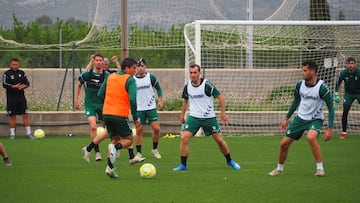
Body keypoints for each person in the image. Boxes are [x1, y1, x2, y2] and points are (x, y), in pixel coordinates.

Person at [268, 60, 334, 177]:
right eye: (302, 70)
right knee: (283, 144)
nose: (302, 72)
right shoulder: (300, 84)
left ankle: (320, 169)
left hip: (315, 119)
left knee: (311, 137)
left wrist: (329, 128)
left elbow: (331, 107)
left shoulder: (322, 88)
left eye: (305, 70)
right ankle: (279, 169)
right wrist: (286, 118)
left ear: (312, 72)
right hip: (300, 119)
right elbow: (296, 101)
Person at [172, 64, 240, 171]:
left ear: (199, 73)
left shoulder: (207, 85)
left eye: (195, 72)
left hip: (208, 117)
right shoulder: (187, 86)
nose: (193, 75)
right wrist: (182, 115)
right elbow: (185, 102)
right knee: (184, 138)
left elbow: (220, 97)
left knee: (219, 140)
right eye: (191, 73)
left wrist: (223, 113)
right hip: (194, 117)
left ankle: (229, 161)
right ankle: (183, 165)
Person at [97, 57, 139, 179]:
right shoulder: (130, 80)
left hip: (106, 114)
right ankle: (115, 148)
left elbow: (100, 94)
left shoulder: (111, 76)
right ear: (126, 68)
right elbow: (132, 99)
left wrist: (107, 106)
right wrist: (135, 116)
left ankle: (109, 168)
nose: (135, 71)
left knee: (115, 139)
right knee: (129, 139)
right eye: (133, 68)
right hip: (119, 114)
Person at [128, 58, 163, 163]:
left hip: (151, 107)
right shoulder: (132, 79)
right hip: (139, 109)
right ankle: (139, 152)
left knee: (156, 129)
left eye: (142, 66)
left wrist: (160, 100)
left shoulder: (150, 77)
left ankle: (155, 149)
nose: (140, 68)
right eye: (138, 66)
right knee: (139, 130)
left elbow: (159, 88)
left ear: (145, 67)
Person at [75, 53, 109, 162]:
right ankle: (97, 152)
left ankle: (114, 147)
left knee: (108, 129)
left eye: (100, 60)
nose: (99, 62)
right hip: (90, 105)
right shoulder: (87, 74)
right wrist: (76, 100)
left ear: (103, 62)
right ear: (93, 61)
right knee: (93, 127)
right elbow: (78, 85)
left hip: (103, 105)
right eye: (97, 60)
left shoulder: (107, 75)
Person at [2, 58, 34, 139]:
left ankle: (29, 133)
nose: (15, 66)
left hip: (21, 98)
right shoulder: (7, 74)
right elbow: (4, 84)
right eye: (13, 64)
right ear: (10, 65)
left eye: (16, 64)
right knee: (12, 116)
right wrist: (13, 86)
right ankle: (12, 134)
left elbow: (27, 83)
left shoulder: (22, 73)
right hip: (11, 99)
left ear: (18, 65)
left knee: (25, 115)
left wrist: (24, 86)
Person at [333, 57, 360, 139]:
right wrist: (336, 94)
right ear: (346, 65)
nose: (350, 65)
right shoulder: (343, 73)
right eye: (349, 64)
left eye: (352, 63)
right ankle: (344, 132)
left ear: (355, 64)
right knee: (345, 111)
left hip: (359, 93)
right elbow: (338, 83)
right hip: (349, 94)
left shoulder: (359, 72)